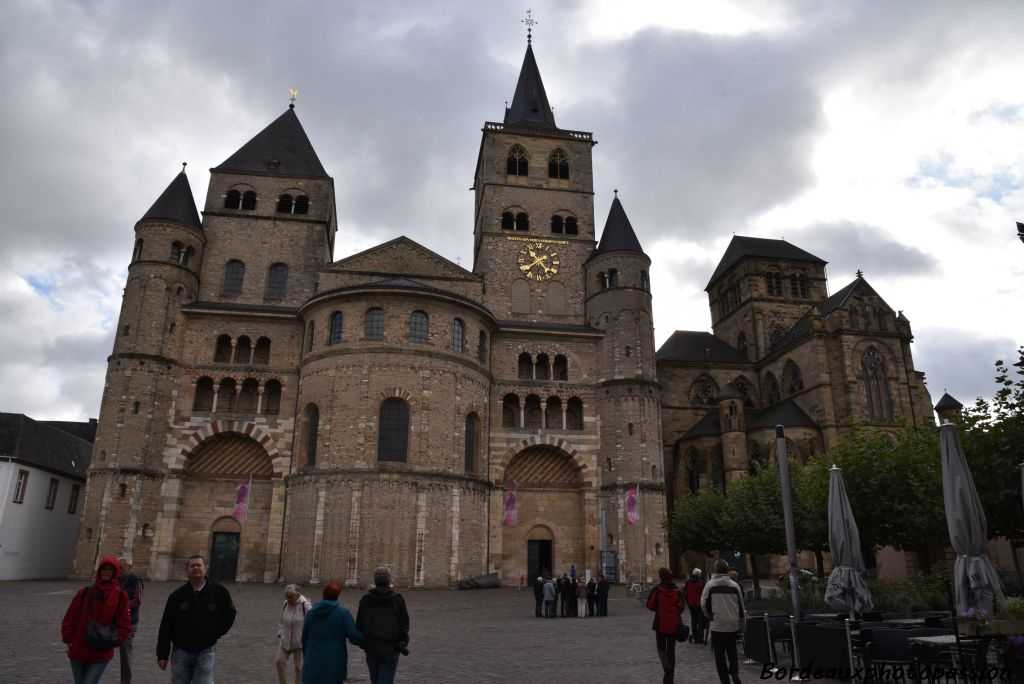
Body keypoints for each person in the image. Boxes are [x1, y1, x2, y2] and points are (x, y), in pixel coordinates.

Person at [156, 554, 236, 683]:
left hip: (205, 650)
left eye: (199, 565)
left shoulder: (218, 591)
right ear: (187, 570)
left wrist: (216, 631)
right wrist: (162, 654)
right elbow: (166, 625)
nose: (195, 568)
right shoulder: (177, 596)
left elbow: (230, 613)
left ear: (205, 569)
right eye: (192, 566)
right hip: (180, 651)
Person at [61, 555, 132, 684]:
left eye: (110, 570)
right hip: (79, 648)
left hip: (101, 650)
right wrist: (69, 640)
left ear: (114, 572)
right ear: (99, 571)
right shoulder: (84, 593)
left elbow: (125, 623)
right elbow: (69, 618)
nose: (106, 572)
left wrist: (115, 641)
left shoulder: (121, 596)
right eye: (104, 569)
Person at [301, 581, 364, 684]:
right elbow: (354, 636)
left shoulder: (311, 613)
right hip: (334, 663)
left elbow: (304, 638)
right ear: (338, 595)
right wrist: (367, 638)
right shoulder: (343, 613)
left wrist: (307, 655)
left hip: (312, 662)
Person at [356, 567, 410, 684]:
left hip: (372, 647)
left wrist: (364, 644)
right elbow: (404, 623)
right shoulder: (397, 600)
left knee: (375, 680)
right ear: (389, 580)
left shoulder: (366, 600)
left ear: (375, 581)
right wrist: (402, 642)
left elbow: (360, 624)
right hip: (391, 647)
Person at [701, 559, 746, 684]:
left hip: (718, 624)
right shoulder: (734, 585)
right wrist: (742, 625)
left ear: (716, 570)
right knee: (732, 650)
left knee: (719, 655)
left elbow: (703, 604)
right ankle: (735, 672)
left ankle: (725, 680)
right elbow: (741, 607)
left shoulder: (710, 585)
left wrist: (709, 615)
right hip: (732, 623)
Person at [647, 567, 685, 684]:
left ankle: (666, 666)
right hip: (674, 623)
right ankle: (669, 679)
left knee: (661, 648)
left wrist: (659, 609)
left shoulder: (657, 589)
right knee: (671, 650)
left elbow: (650, 604)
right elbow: (681, 606)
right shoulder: (677, 590)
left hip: (661, 622)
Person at [277, 584, 312, 684]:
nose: (288, 599)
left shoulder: (305, 605)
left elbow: (312, 623)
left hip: (299, 642)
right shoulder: (285, 604)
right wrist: (280, 632)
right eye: (286, 596)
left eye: (290, 597)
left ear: (297, 595)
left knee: (299, 668)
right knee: (279, 662)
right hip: (285, 640)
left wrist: (307, 638)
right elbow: (281, 620)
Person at [118, 556, 144, 683]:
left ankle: (125, 681)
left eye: (122, 568)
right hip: (114, 620)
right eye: (118, 568)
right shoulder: (116, 580)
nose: (119, 570)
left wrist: (119, 606)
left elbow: (137, 600)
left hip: (129, 622)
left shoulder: (136, 581)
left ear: (130, 567)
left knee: (125, 652)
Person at [683, 568, 706, 644]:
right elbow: (704, 595)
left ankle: (695, 637)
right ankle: (700, 638)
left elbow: (685, 594)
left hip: (691, 604)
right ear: (699, 574)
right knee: (700, 622)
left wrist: (688, 603)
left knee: (694, 621)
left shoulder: (688, 582)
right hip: (699, 605)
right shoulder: (702, 583)